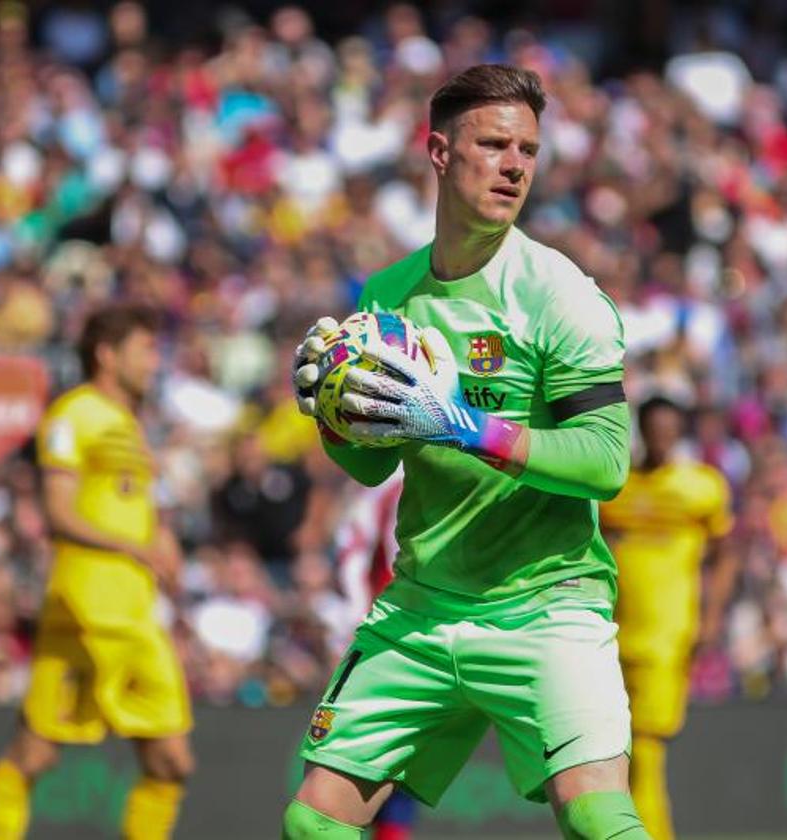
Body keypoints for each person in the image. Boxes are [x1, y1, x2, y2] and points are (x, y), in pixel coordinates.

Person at [287, 64, 648, 839]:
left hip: (547, 606)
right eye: (494, 144)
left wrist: (467, 428)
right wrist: (328, 412)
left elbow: (607, 460)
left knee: (597, 820)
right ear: (441, 152)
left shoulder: (560, 294)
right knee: (314, 825)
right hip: (421, 607)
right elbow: (370, 464)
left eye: (529, 150)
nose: (515, 165)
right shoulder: (387, 294)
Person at [0, 304, 194, 840]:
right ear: (106, 353)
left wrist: (162, 545)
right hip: (84, 608)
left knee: (170, 764)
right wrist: (135, 547)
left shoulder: (130, 425)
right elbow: (59, 511)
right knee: (34, 755)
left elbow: (136, 504)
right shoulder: (74, 414)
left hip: (132, 610)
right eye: (145, 349)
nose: (154, 361)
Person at [599, 396, 737, 840]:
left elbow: (726, 554)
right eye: (654, 429)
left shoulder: (701, 487)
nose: (661, 439)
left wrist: (712, 617)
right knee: (614, 747)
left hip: (668, 634)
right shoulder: (618, 485)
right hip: (612, 632)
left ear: (679, 434)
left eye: (669, 431)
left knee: (646, 744)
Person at [332, 467, 418, 840]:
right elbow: (353, 548)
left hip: (427, 631)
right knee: (363, 755)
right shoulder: (389, 486)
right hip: (385, 630)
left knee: (404, 758)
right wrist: (357, 617)